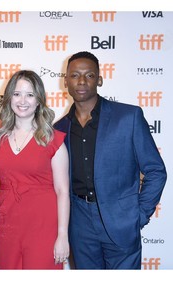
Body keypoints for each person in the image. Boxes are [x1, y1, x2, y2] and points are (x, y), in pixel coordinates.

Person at [54, 51, 167, 269]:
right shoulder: (59, 130)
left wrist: (139, 215)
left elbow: (155, 170)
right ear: (65, 81)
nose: (81, 81)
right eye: (75, 75)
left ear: (100, 79)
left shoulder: (128, 117)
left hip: (121, 220)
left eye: (89, 75)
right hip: (79, 224)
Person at [0, 70, 70, 269]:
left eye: (30, 95)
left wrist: (62, 236)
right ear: (9, 98)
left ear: (39, 99)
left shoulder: (53, 140)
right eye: (17, 94)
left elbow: (63, 191)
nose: (22, 100)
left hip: (44, 225)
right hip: (8, 225)